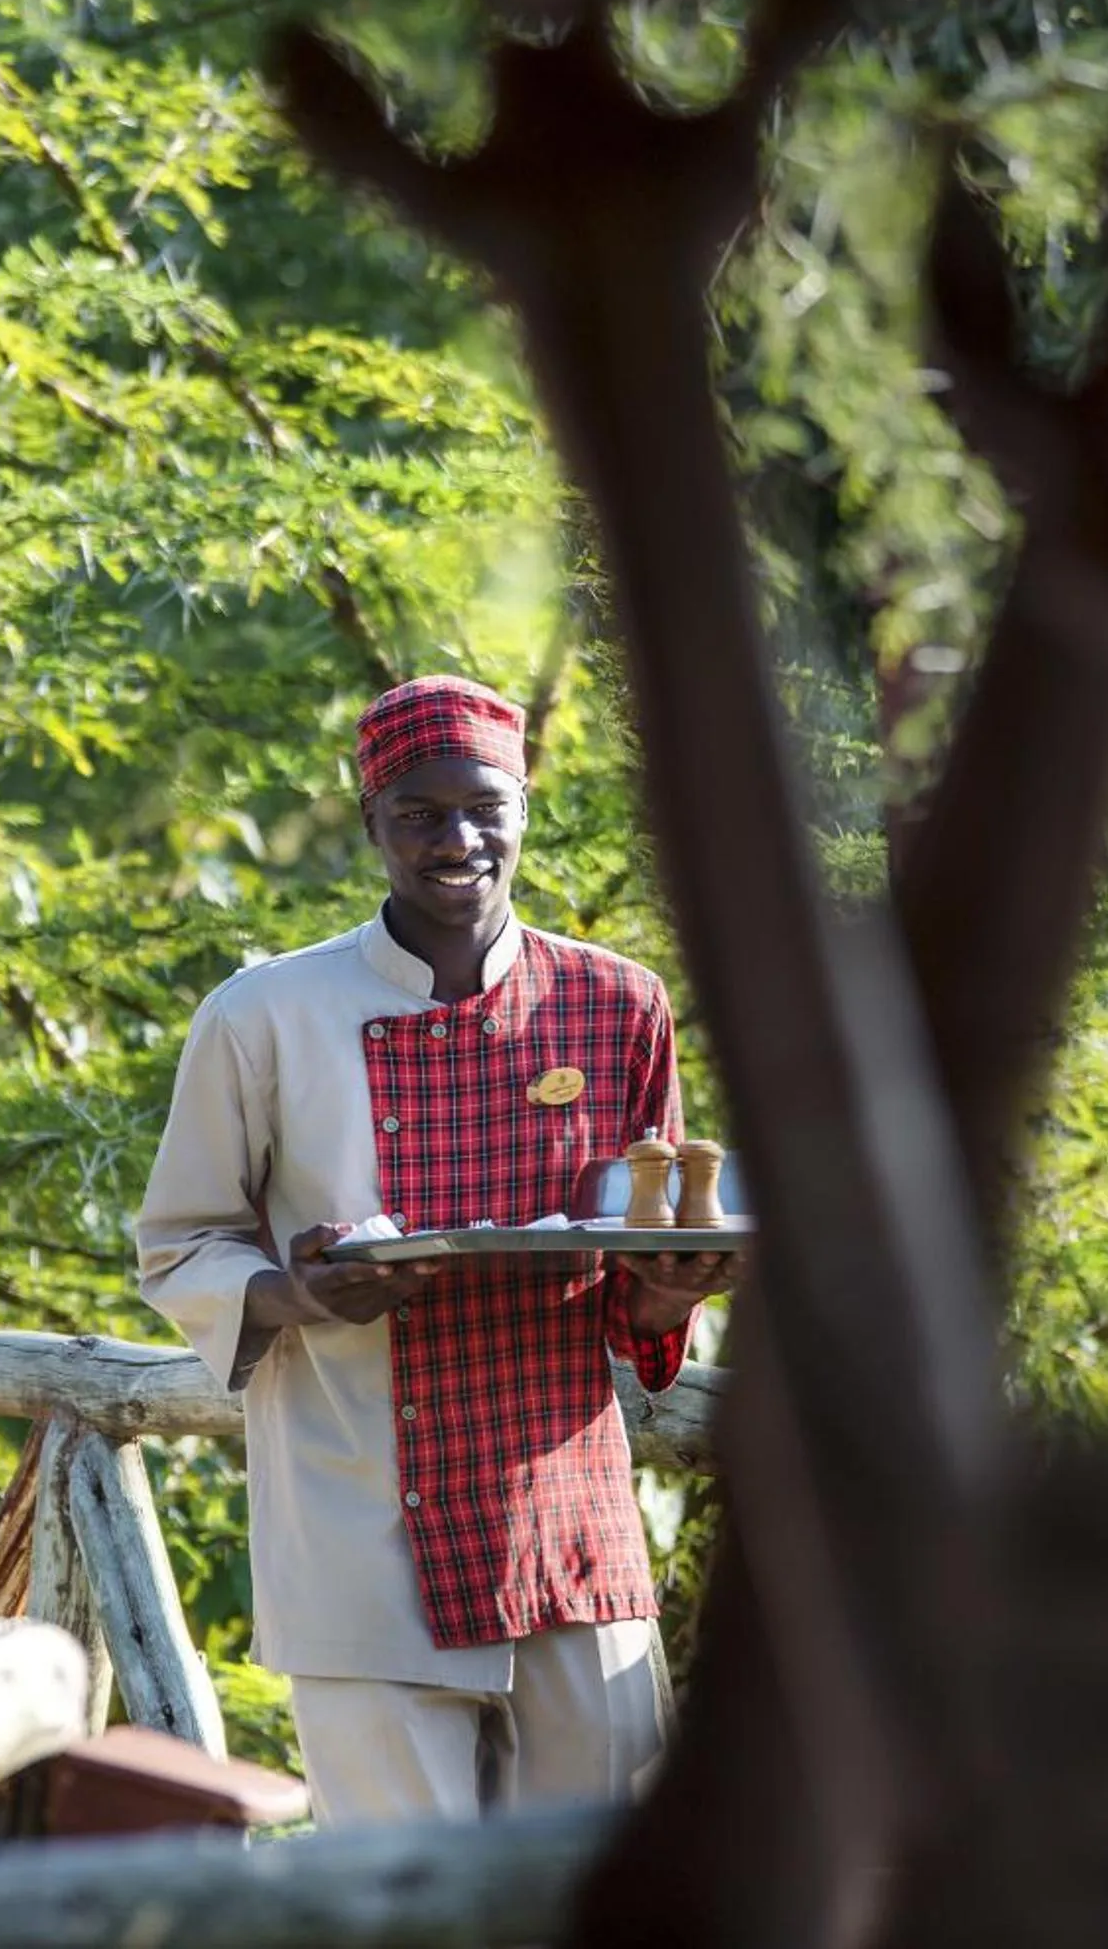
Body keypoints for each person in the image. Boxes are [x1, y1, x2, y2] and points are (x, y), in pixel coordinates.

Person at [134, 674, 735, 1823]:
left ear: (523, 807)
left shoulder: (618, 1003)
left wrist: (668, 1293)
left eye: (482, 805)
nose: (455, 839)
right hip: (361, 1522)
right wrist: (296, 1292)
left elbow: (640, 1266)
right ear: (369, 822)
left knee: (593, 1893)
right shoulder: (261, 1015)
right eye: (417, 812)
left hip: (569, 1526)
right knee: (405, 1907)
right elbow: (178, 1245)